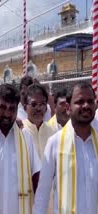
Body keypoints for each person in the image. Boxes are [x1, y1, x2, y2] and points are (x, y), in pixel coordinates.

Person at [33, 82, 98, 214]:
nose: (86, 106)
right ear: (68, 107)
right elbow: (42, 194)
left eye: (90, 101)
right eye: (80, 102)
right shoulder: (55, 143)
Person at [0, 83, 41, 214]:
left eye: (12, 109)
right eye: (2, 107)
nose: (7, 114)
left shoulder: (26, 138)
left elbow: (36, 177)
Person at [23, 84, 56, 159]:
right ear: (25, 107)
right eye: (34, 104)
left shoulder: (53, 131)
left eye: (42, 104)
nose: (38, 108)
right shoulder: (20, 131)